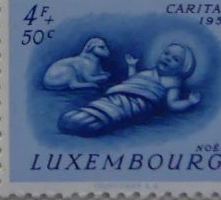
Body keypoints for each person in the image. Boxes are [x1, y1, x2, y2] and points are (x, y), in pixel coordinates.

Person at [58, 42, 201, 136]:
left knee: (116, 111)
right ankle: (84, 114)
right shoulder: (147, 72)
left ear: (182, 69)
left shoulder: (172, 82)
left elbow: (173, 104)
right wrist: (132, 66)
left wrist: (190, 102)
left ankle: (92, 121)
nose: (168, 58)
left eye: (175, 59)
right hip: (119, 93)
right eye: (166, 53)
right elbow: (132, 81)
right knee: (105, 103)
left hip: (137, 102)